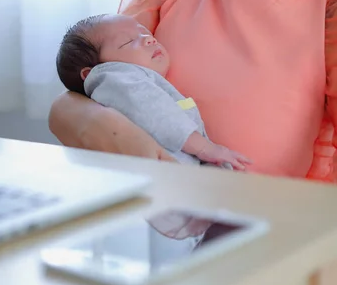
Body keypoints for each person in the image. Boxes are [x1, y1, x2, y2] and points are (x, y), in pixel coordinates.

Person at [48, 0, 337, 182]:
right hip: (155, 221)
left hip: (271, 230)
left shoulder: (328, 16)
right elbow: (92, 82)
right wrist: (83, 117)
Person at [56, 13, 252, 169]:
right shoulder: (116, 78)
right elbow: (156, 113)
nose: (148, 40)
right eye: (127, 42)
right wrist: (206, 148)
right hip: (163, 179)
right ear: (90, 73)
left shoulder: (138, 78)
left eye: (146, 33)